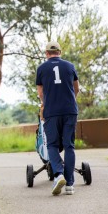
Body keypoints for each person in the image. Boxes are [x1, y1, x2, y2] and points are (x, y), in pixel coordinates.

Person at [36, 41, 79, 196]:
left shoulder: (41, 68)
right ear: (60, 52)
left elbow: (41, 93)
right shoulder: (70, 66)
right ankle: (70, 185)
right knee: (69, 146)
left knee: (52, 145)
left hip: (51, 112)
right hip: (70, 111)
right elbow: (76, 88)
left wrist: (45, 104)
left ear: (47, 53)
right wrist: (70, 101)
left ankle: (58, 174)